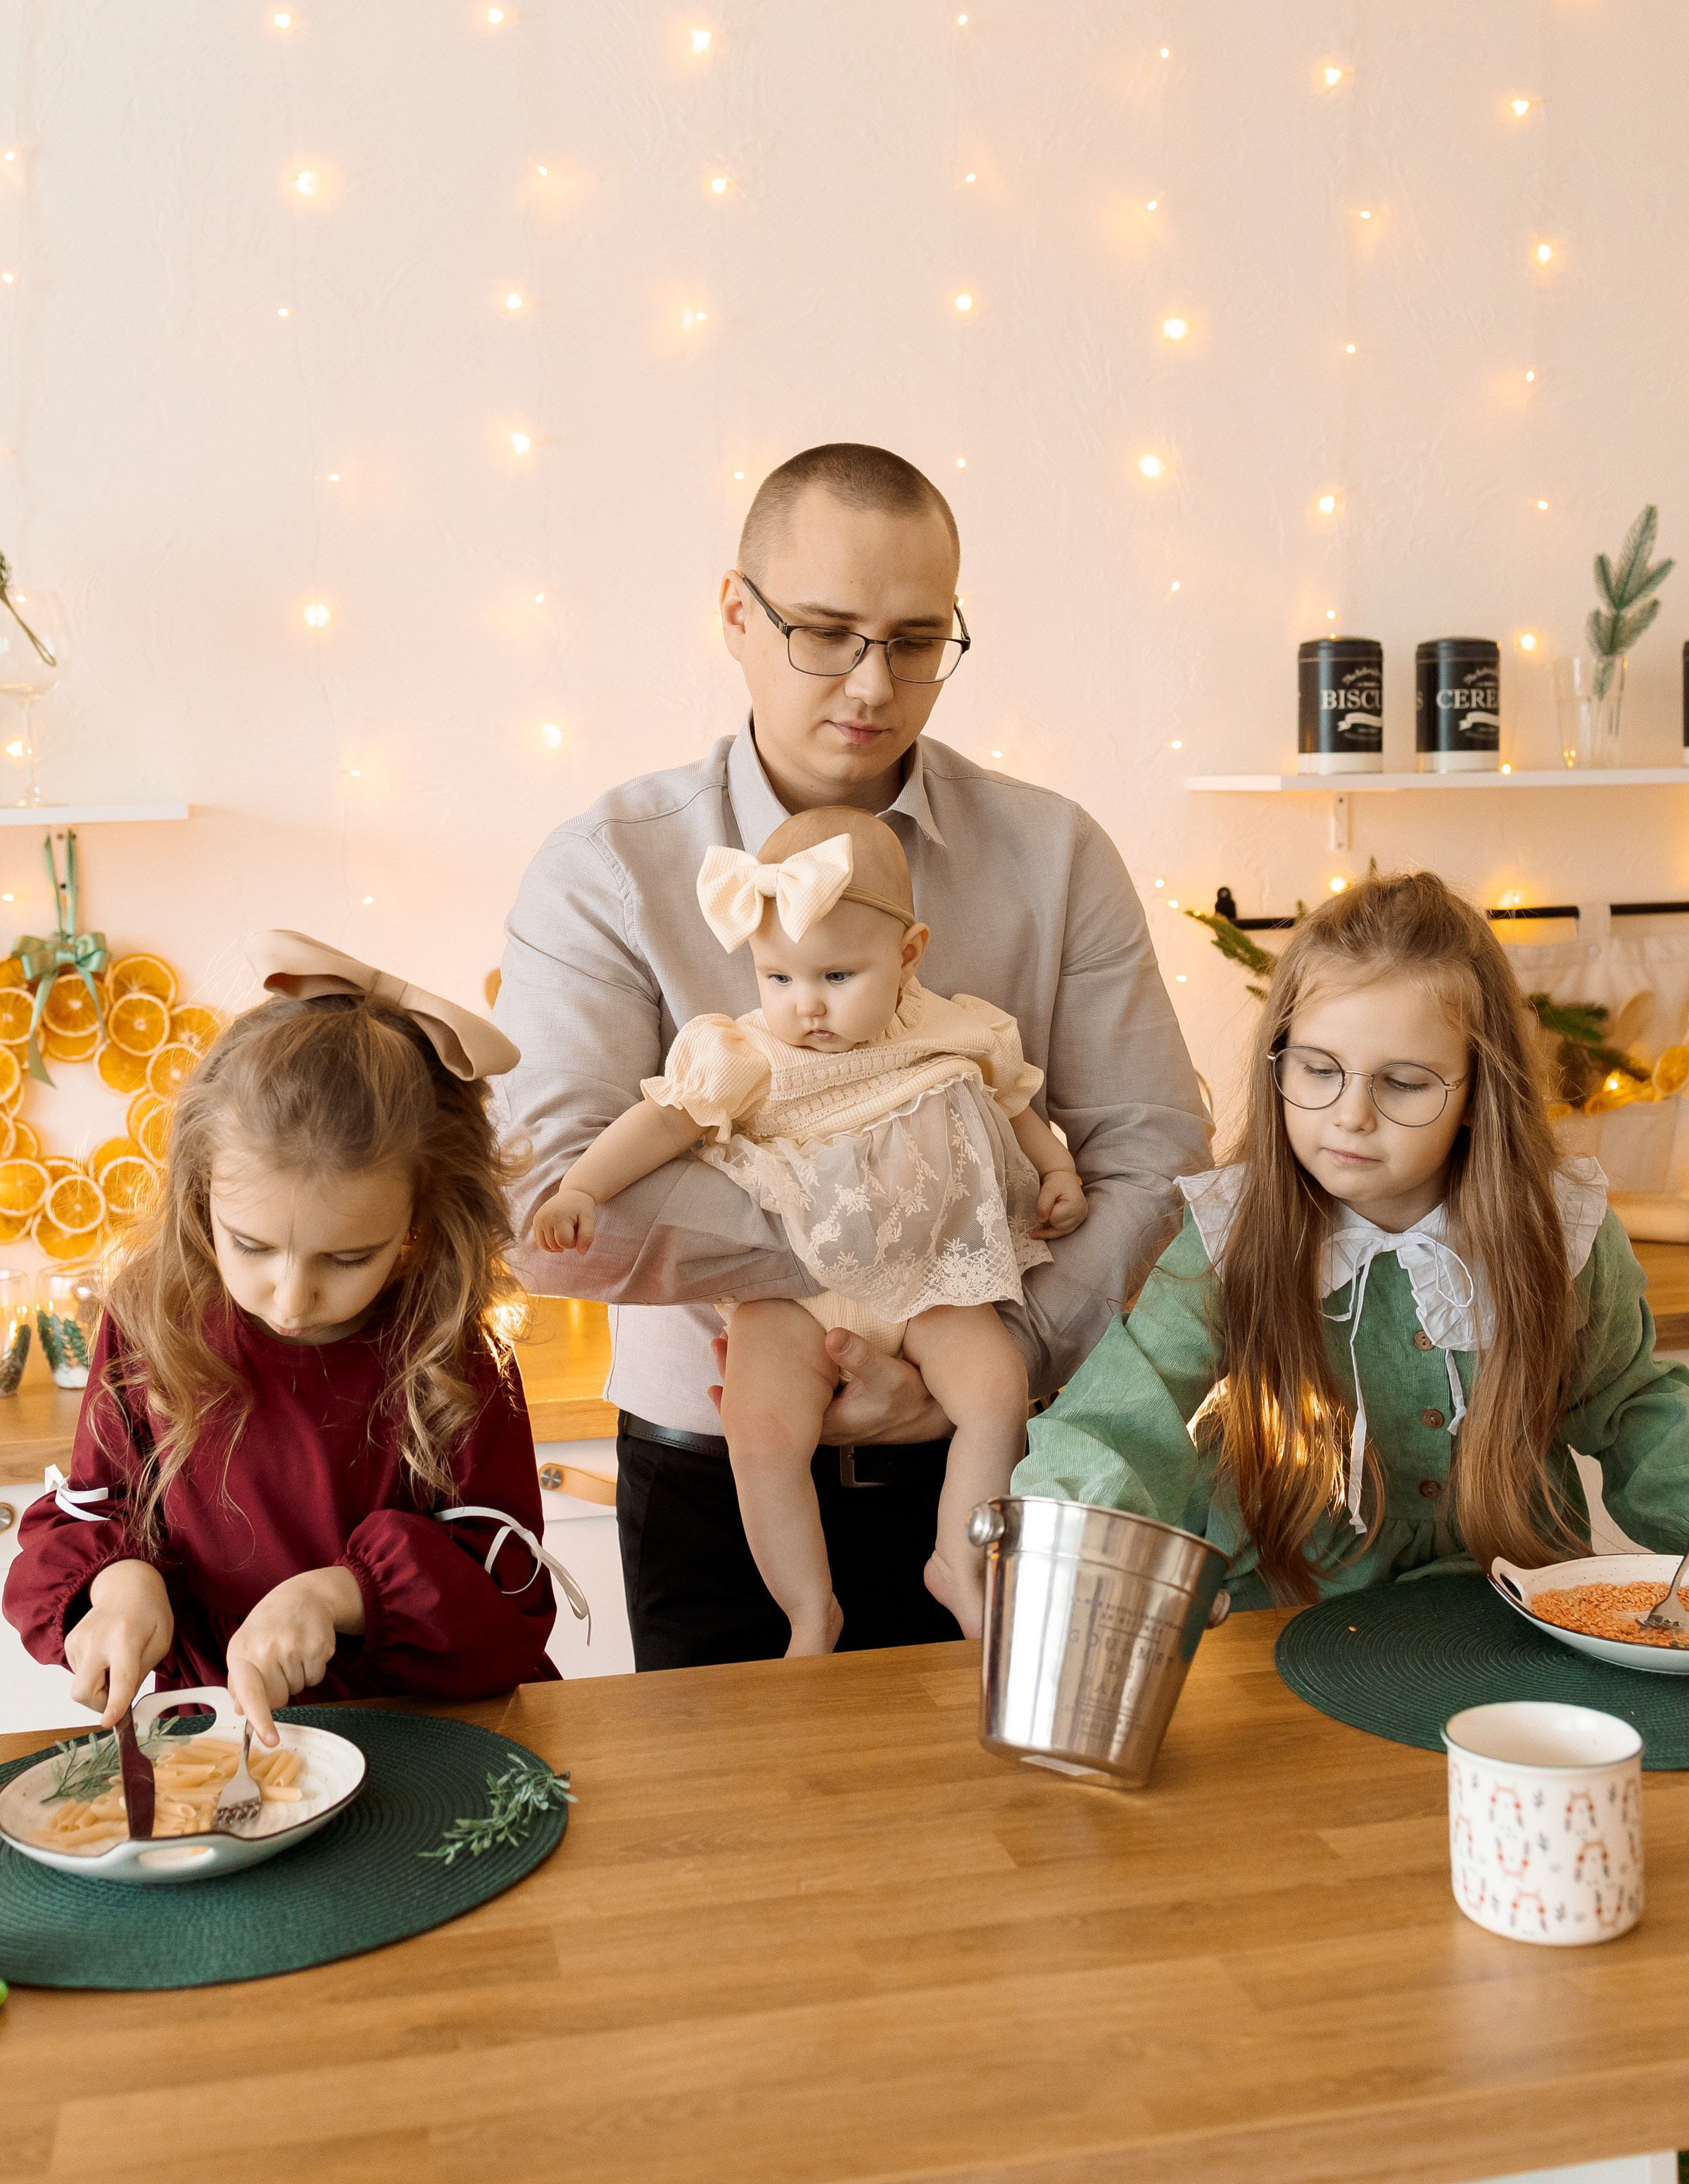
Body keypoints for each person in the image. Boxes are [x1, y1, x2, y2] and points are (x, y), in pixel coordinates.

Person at [497, 441, 1211, 1667]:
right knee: (739, 1851)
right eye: (824, 632)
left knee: (1022, 1845)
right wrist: (889, 1249)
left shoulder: (1056, 855)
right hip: (711, 1476)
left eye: (917, 640)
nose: (872, 684)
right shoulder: (608, 868)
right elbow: (543, 1193)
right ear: (736, 611)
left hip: (999, 1447)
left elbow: (1154, 1151)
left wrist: (991, 1352)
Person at [1016, 871, 1689, 1604]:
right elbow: (1126, 1415)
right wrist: (1055, 1544)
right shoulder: (1236, 1232)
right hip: (1284, 1608)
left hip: (1511, 1603)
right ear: (1280, 1060)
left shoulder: (1563, 1234)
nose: (1351, 1116)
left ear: (1477, 1092)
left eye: (1403, 1083)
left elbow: (1631, 1412)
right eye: (1318, 1070)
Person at [533, 806, 1087, 1649]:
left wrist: (1057, 1172)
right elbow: (662, 1123)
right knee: (759, 1434)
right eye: (778, 979)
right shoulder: (746, 1054)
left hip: (932, 1282)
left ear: (908, 955)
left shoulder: (954, 1027)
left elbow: (1017, 1107)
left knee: (996, 1391)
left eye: (836, 977)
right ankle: (807, 1606)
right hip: (790, 1295)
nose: (806, 1007)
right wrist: (580, 1188)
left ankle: (958, 1561)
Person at [4, 932, 579, 1743]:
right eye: (252, 1245)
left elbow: (511, 1608)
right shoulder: (149, 1321)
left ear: (420, 1220)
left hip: (423, 1733)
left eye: (348, 1257)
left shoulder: (449, 1348)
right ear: (200, 1191)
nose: (292, 1296)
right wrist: (120, 1585)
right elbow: (89, 1513)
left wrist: (339, 1597)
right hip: (217, 1737)